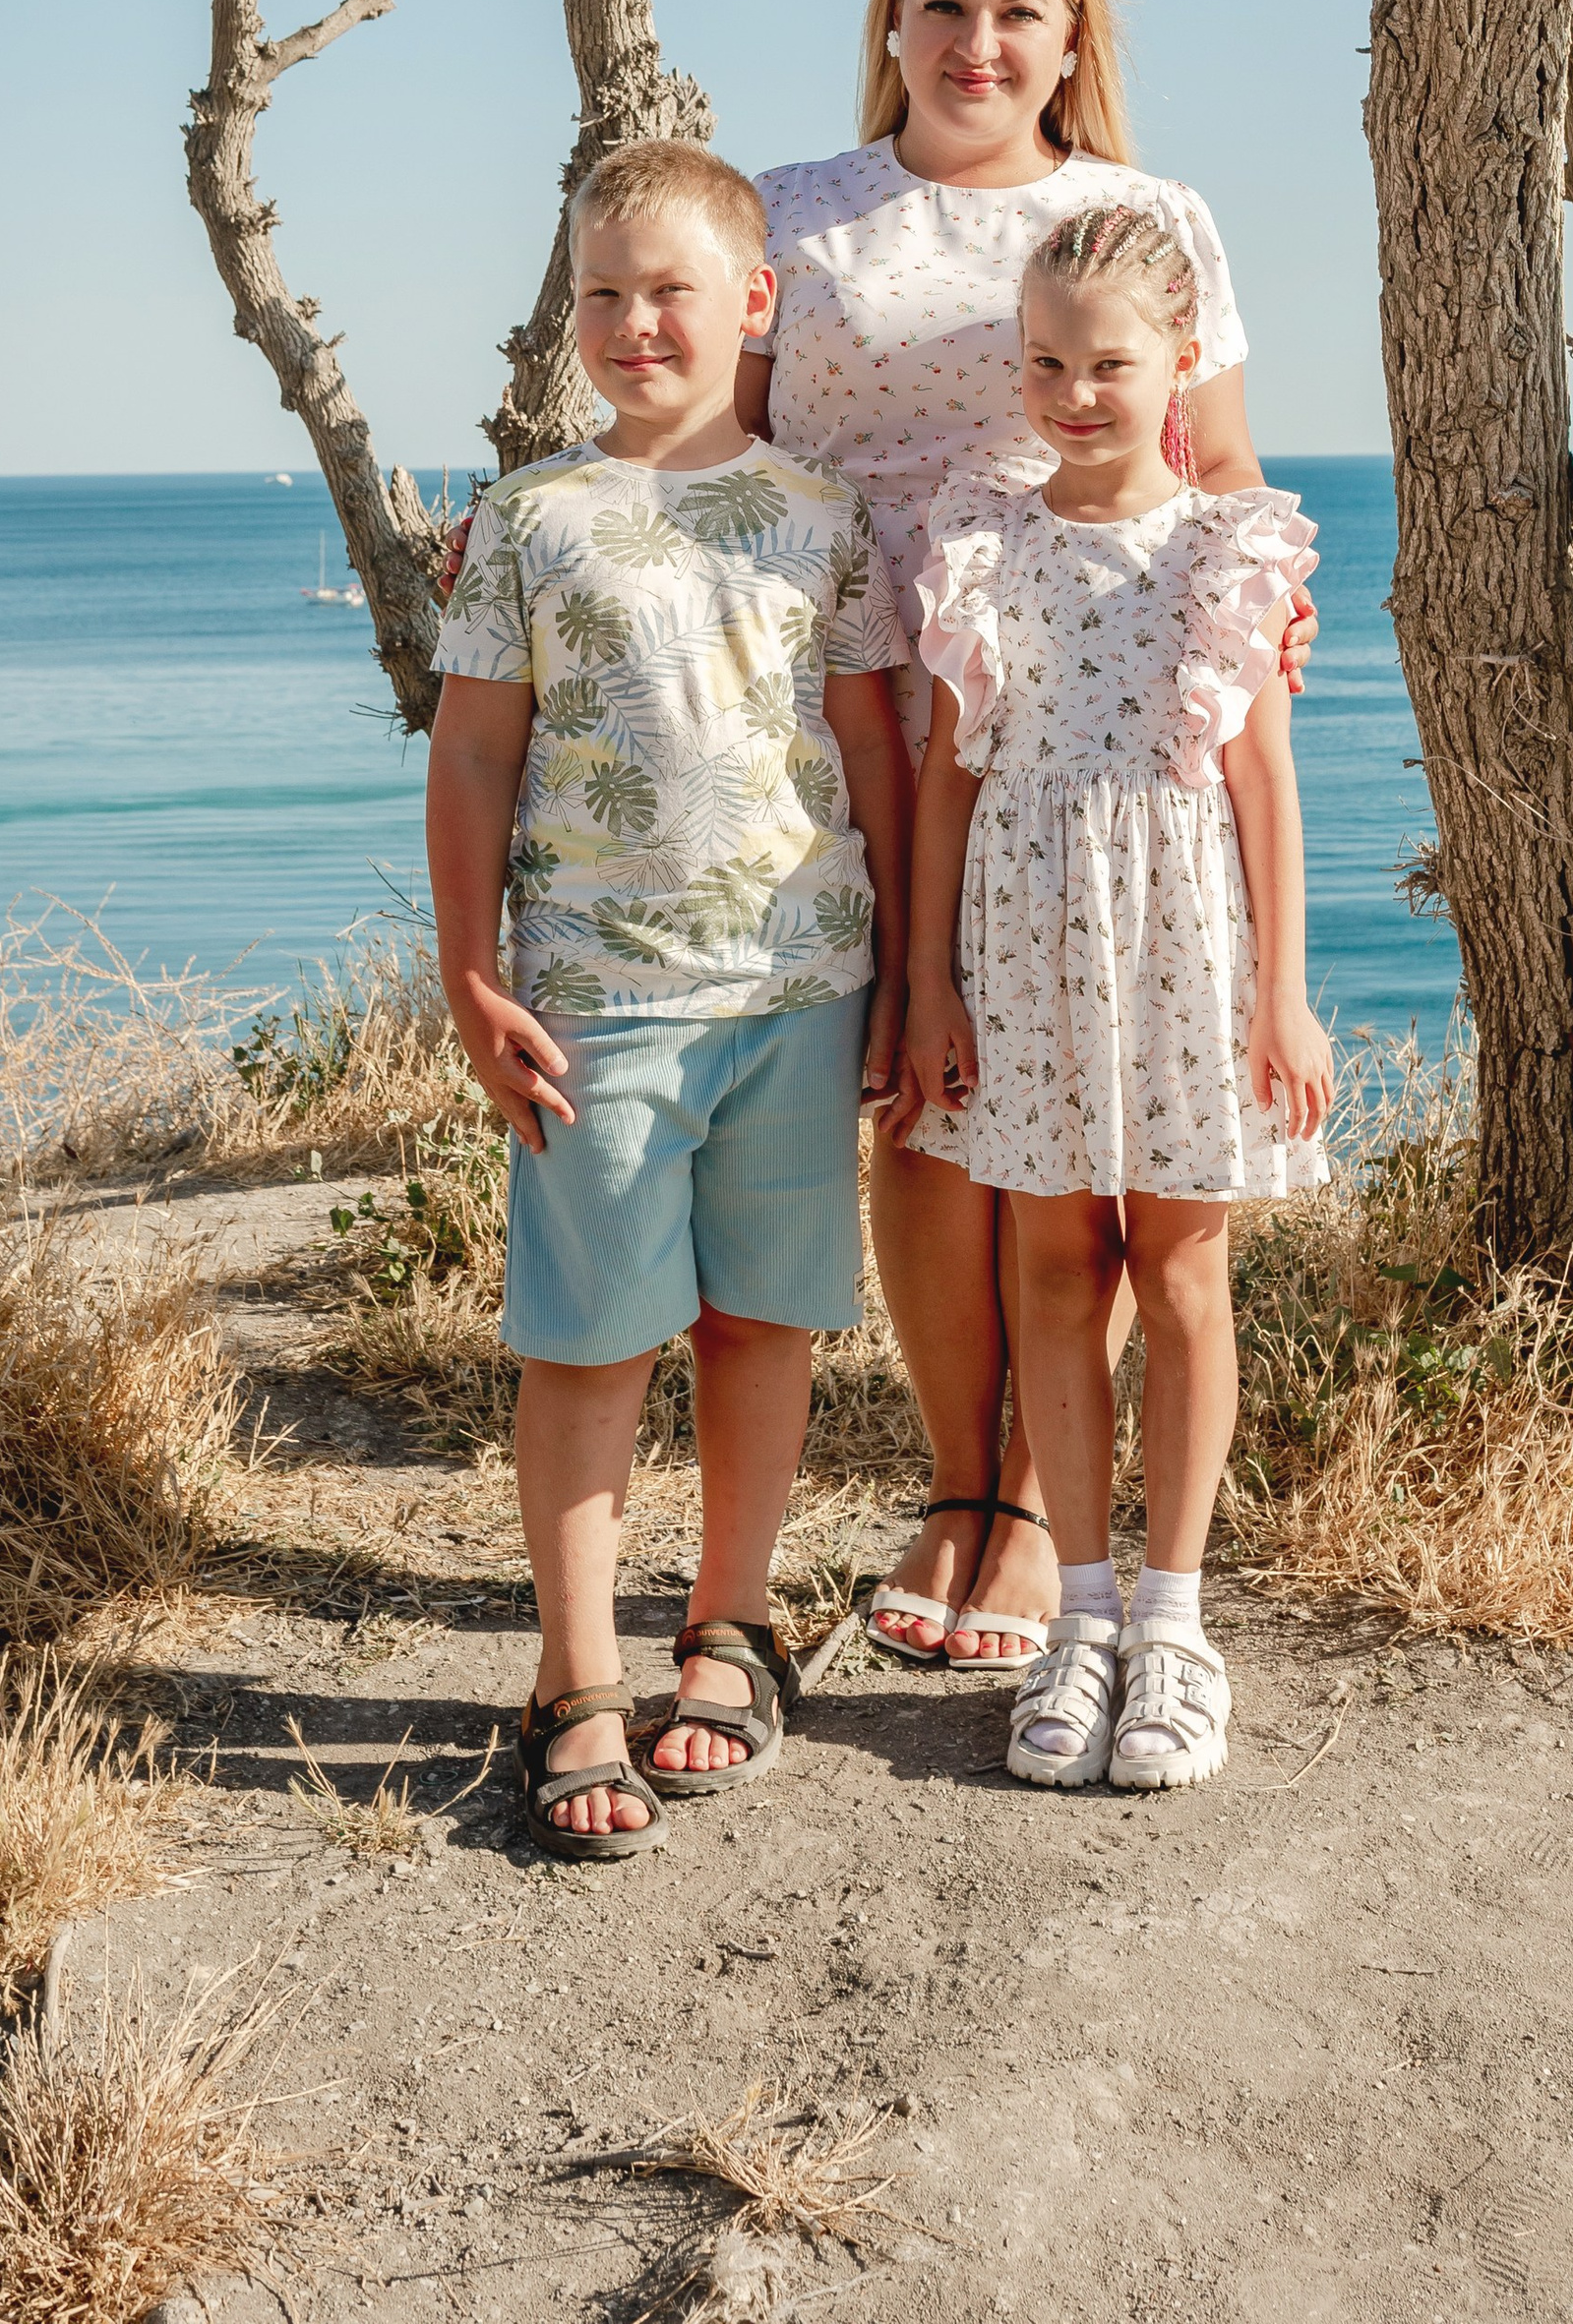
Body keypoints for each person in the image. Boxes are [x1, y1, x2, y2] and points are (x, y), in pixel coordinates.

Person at [739, 0, 1313, 1671]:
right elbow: (713, 439)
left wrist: (1255, 633)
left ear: (1074, 43)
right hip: (843, 686)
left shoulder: (1147, 217)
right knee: (927, 1085)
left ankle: (1056, 1521)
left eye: (1019, 14)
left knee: (1087, 1086)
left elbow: (1217, 467)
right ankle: (958, 1490)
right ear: (891, 18)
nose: (978, 45)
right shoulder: (801, 211)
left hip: (1080, 689)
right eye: (943, 5)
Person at [426, 140, 912, 1859]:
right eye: (604, 293)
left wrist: (910, 971)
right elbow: (477, 748)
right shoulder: (532, 522)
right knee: (590, 1337)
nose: (638, 321)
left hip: (801, 986)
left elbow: (869, 747)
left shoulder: (824, 519)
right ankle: (575, 1678)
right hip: (597, 1005)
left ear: (752, 303)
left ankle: (730, 1626)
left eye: (673, 290)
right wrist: (472, 972)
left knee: (759, 1322)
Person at [903, 202, 1331, 1789]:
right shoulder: (979, 539)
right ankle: (1077, 1617)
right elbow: (953, 781)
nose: (1077, 390)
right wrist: (932, 984)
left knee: (1186, 1274)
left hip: (1187, 955)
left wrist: (1284, 997)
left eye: (1111, 362)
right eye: (1047, 362)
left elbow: (1266, 788)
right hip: (1023, 954)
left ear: (1181, 363)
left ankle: (1175, 1621)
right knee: (1055, 1273)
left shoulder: (1231, 547)